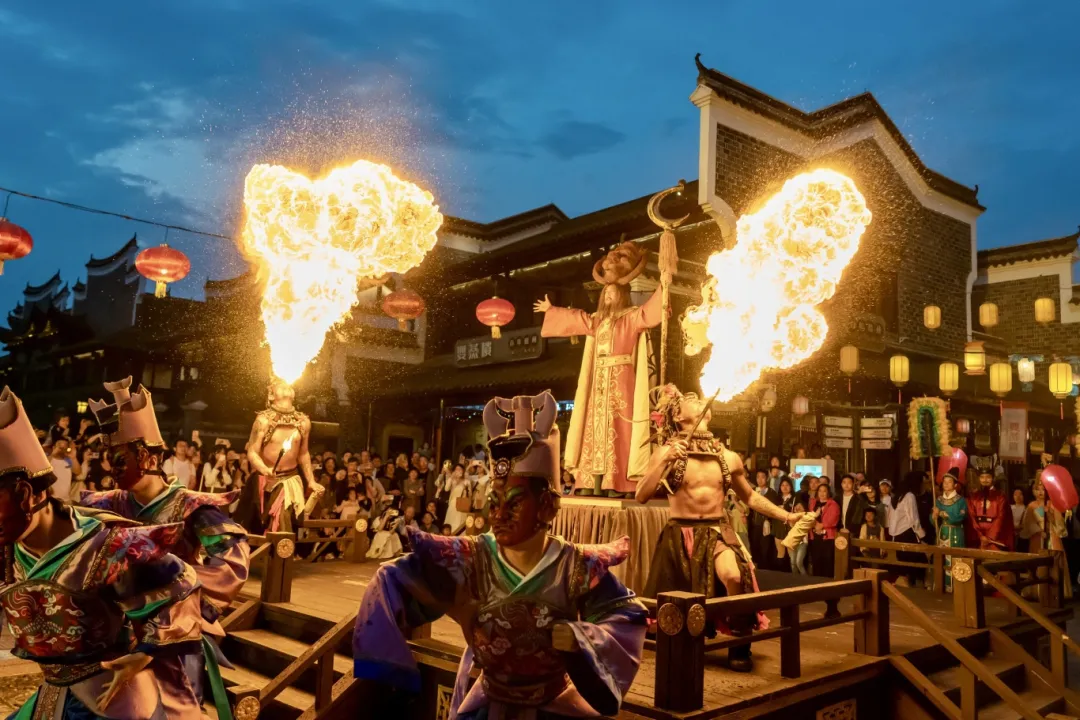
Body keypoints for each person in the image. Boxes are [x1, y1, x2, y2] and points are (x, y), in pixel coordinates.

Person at [354, 390, 646, 718]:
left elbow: (627, 617)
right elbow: (395, 580)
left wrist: (581, 638)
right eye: (495, 501)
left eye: (515, 502)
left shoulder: (575, 566)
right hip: (487, 703)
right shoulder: (473, 557)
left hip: (555, 706)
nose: (499, 514)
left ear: (548, 506)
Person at [0, 387, 205, 719]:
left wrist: (144, 653)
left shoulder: (107, 546)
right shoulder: (8, 554)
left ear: (25, 494)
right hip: (55, 694)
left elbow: (181, 583)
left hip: (115, 698)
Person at [80, 377, 250, 716]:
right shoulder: (107, 503)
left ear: (143, 456)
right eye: (106, 458)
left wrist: (173, 587)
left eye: (118, 458)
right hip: (114, 632)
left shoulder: (192, 507)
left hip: (174, 634)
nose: (109, 469)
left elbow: (232, 566)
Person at [637, 385, 799, 672]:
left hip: (715, 531)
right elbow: (641, 495)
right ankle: (683, 646)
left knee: (733, 574)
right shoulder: (667, 452)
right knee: (673, 603)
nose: (697, 400)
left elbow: (750, 497)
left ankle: (739, 645)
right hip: (679, 533)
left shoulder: (728, 457)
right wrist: (664, 458)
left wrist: (786, 517)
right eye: (689, 399)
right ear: (677, 415)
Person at [534, 242, 665, 497]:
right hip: (599, 384)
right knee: (594, 431)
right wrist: (551, 310)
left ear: (623, 295)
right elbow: (577, 319)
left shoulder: (631, 316)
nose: (607, 296)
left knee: (621, 431)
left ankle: (621, 483)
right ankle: (591, 481)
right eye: (605, 294)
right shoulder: (598, 321)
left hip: (622, 381)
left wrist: (665, 285)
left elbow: (652, 311)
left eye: (612, 293)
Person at [240, 379, 322, 534]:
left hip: (290, 481)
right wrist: (264, 469)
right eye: (280, 386)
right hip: (265, 481)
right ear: (271, 395)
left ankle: (283, 554)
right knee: (257, 527)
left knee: (283, 518)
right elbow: (252, 452)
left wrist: (311, 481)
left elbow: (303, 453)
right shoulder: (263, 420)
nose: (286, 387)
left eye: (288, 385)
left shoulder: (303, 421)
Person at [890, 471, 928, 587]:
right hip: (907, 533)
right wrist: (922, 535)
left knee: (905, 563)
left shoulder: (897, 496)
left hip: (897, 534)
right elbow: (913, 518)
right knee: (919, 562)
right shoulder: (909, 496)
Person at [933, 470, 968, 592]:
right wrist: (934, 516)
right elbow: (933, 521)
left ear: (955, 485)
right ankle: (940, 585)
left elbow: (959, 518)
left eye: (949, 482)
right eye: (944, 482)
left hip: (955, 532)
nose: (946, 484)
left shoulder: (960, 500)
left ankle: (955, 587)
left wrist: (944, 514)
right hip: (942, 531)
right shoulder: (938, 500)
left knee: (954, 558)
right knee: (940, 558)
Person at [966, 468, 1014, 551]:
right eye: (982, 477)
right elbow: (971, 517)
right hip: (978, 538)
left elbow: (1001, 517)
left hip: (995, 538)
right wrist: (980, 536)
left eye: (988, 477)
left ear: (993, 478)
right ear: (979, 479)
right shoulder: (973, 497)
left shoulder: (1000, 496)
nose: (985, 480)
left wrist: (990, 536)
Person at [748, 469, 780, 571]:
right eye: (758, 477)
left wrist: (768, 519)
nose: (760, 479)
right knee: (755, 548)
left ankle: (766, 571)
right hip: (754, 525)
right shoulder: (753, 491)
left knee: (765, 550)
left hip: (767, 525)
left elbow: (774, 509)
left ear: (767, 478)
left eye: (762, 477)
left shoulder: (772, 493)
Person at [809, 483, 839, 579]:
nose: (822, 493)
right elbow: (809, 516)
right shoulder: (813, 502)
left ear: (828, 492)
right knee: (816, 561)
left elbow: (833, 520)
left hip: (827, 537)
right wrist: (814, 525)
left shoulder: (833, 504)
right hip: (814, 536)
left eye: (824, 491)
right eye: (820, 491)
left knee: (827, 561)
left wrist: (821, 525)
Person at [47, 437, 81, 502]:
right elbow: (43, 468)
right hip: (51, 498)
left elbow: (78, 472)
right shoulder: (49, 459)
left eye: (65, 447)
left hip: (66, 500)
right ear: (54, 447)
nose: (62, 449)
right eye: (60, 447)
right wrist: (53, 453)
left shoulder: (69, 460)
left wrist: (73, 458)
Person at [774, 477, 796, 571]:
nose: (785, 487)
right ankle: (781, 574)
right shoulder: (777, 498)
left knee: (792, 554)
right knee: (780, 552)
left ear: (791, 486)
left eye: (787, 485)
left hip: (791, 528)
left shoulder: (795, 498)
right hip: (779, 527)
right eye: (782, 485)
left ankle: (793, 575)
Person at [442, 463, 470, 534]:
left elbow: (470, 494)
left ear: (463, 471)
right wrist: (452, 477)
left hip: (462, 504)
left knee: (460, 522)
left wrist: (464, 488)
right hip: (453, 503)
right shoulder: (452, 480)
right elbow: (446, 489)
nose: (458, 471)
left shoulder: (467, 481)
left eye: (460, 469)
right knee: (451, 521)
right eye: (456, 469)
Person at [1011, 487, 1029, 553]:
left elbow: (1025, 525)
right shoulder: (1010, 508)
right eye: (1015, 495)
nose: (1018, 497)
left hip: (1022, 537)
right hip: (1011, 536)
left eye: (1020, 494)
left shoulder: (1027, 509)